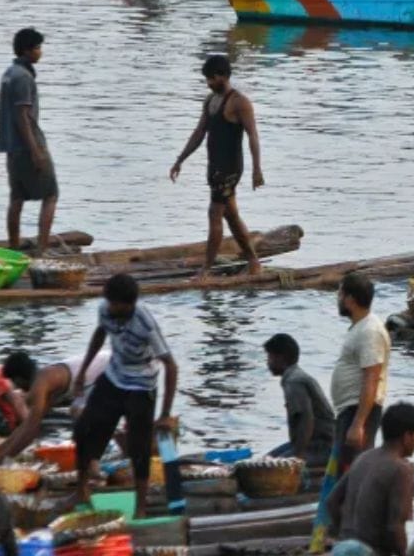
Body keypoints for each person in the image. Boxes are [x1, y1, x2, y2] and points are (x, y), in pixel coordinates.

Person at [72, 274, 178, 519]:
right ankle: (81, 490)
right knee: (84, 429)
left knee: (138, 447)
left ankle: (140, 507)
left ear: (128, 304)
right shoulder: (105, 309)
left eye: (116, 304)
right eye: (109, 302)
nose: (111, 308)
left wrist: (164, 414)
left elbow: (171, 366)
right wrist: (83, 372)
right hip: (114, 375)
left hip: (142, 384)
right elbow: (100, 334)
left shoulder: (145, 322)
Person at [170, 55, 265, 280]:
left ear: (222, 76)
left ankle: (206, 270)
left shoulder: (240, 102)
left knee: (214, 213)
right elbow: (199, 132)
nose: (208, 84)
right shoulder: (210, 101)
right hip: (214, 167)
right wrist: (180, 159)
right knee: (231, 215)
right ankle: (253, 261)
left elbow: (253, 135)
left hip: (230, 168)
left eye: (211, 79)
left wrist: (256, 169)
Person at [328, 402, 414, 556]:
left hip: (342, 547)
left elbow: (332, 502)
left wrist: (345, 536)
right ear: (407, 437)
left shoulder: (363, 457)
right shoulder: (401, 469)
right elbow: (395, 527)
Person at [0, 27, 57, 256]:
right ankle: (41, 250)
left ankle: (14, 246)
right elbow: (22, 115)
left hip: (13, 147)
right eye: (38, 48)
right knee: (51, 195)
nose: (40, 52)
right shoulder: (22, 77)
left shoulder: (10, 73)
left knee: (17, 197)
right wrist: (35, 151)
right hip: (28, 144)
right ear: (27, 50)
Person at [0, 349, 111, 463]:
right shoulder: (43, 379)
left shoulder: (40, 384)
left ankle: (93, 462)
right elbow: (27, 424)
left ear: (19, 378)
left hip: (107, 367)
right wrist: (0, 449)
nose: (17, 388)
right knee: (80, 422)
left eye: (15, 383)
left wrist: (2, 459)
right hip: (99, 369)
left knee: (80, 415)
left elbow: (31, 431)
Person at [331, 272, 390, 472]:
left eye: (340, 294)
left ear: (350, 299)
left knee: (354, 472)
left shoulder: (370, 331)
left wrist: (358, 424)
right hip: (349, 410)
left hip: (359, 411)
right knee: (346, 471)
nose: (337, 299)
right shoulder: (360, 328)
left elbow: (371, 379)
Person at [264, 333, 335, 467]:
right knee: (267, 459)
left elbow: (306, 419)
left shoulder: (293, 381)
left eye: (269, 357)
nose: (267, 362)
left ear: (280, 358)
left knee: (271, 466)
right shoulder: (295, 375)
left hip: (321, 447)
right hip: (313, 443)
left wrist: (298, 456)